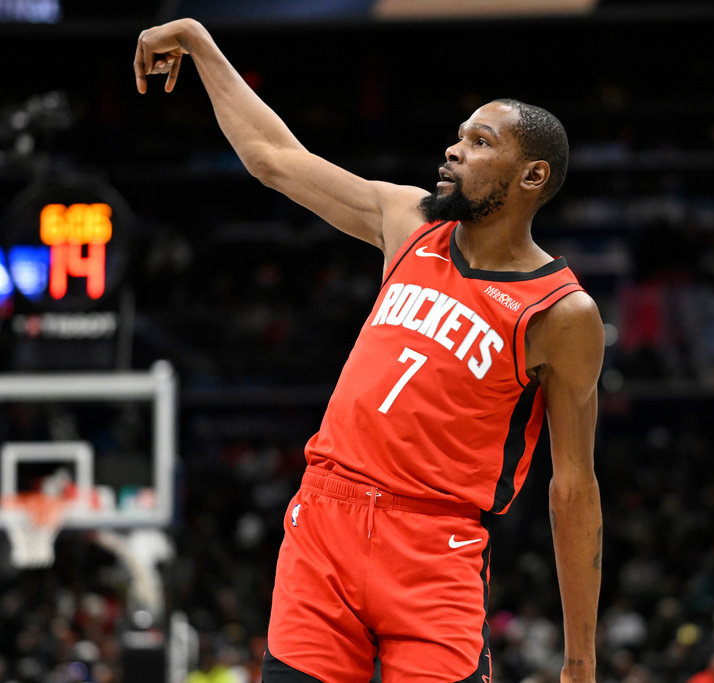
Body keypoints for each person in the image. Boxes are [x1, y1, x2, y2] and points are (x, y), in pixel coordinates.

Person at [134, 19, 604, 683]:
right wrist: (199, 42)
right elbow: (273, 157)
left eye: (479, 141)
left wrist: (580, 658)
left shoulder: (561, 311)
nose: (454, 149)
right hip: (325, 517)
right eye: (459, 135)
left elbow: (574, 486)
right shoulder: (410, 221)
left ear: (532, 174)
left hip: (435, 547)